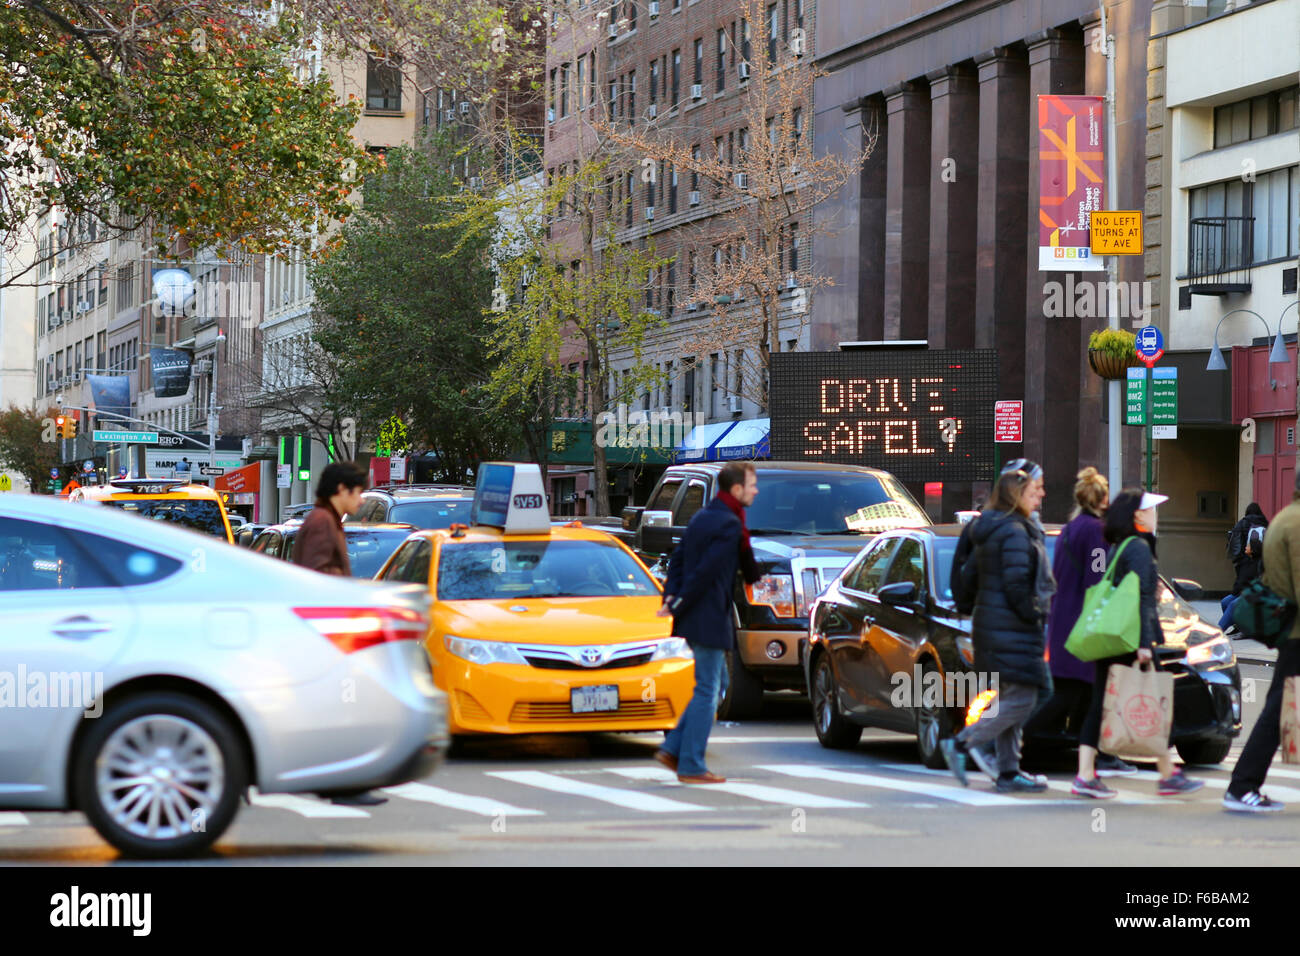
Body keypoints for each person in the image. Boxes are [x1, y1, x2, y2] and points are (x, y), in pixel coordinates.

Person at [1071, 489, 1203, 798]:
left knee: (1101, 704)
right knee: (1154, 702)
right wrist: (1145, 644)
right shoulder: (1140, 549)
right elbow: (1143, 599)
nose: (1156, 514)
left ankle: (1086, 774)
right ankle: (1167, 774)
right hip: (1132, 640)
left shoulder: (1121, 546)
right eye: (1151, 509)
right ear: (1138, 515)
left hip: (1114, 636)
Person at [940, 460, 1054, 793]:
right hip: (1012, 627)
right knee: (1027, 697)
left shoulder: (992, 529)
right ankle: (964, 742)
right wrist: (1035, 612)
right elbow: (1018, 584)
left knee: (1014, 696)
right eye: (1035, 490)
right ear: (1018, 494)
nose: (1041, 495)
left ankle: (1008, 771)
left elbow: (971, 576)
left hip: (991, 625)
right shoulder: (1015, 532)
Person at [654, 461, 762, 784]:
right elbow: (706, 572)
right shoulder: (730, 525)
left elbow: (678, 562)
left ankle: (673, 748)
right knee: (708, 691)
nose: (756, 490)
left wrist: (671, 599)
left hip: (692, 617)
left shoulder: (704, 518)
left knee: (708, 687)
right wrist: (681, 600)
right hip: (709, 616)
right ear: (736, 489)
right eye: (752, 485)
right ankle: (690, 764)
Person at [1027, 468, 1137, 776]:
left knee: (1081, 693)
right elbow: (1098, 577)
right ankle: (1020, 738)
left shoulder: (1070, 528)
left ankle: (1090, 752)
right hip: (1083, 620)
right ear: (1102, 500)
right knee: (1076, 693)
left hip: (1064, 616)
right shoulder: (1096, 532)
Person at [1224, 477, 1300, 812]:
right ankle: (1242, 786)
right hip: (1298, 635)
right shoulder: (1295, 523)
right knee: (1275, 712)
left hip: (1292, 634)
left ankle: (1243, 785)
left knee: (1276, 708)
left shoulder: (1286, 517)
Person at [294, 461, 367, 576]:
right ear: (342, 489)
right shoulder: (322, 521)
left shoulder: (327, 519)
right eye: (359, 492)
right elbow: (316, 576)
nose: (362, 500)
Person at [1228, 503, 1269, 596]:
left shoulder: (1243, 523)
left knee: (1240, 588)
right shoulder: (1266, 523)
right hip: (1262, 560)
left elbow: (1235, 543)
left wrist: (1237, 559)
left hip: (1245, 560)